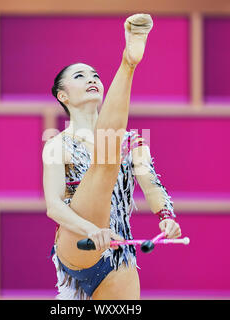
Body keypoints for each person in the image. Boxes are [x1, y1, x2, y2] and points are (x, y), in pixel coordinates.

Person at [42, 13, 181, 300]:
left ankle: (129, 62)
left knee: (111, 149)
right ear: (62, 96)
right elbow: (54, 206)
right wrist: (92, 230)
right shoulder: (58, 144)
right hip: (78, 242)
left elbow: (151, 184)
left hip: (118, 254)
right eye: (80, 76)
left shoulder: (132, 141)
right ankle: (128, 62)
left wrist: (167, 217)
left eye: (95, 75)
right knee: (106, 158)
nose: (92, 79)